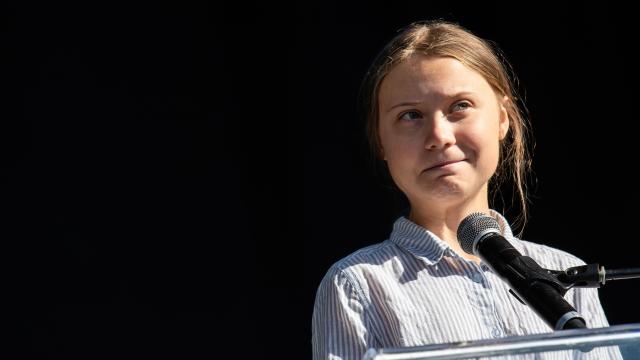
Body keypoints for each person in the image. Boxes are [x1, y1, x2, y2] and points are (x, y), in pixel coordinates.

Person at [311, 21, 621, 360]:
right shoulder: (360, 285)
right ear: (381, 141)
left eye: (460, 106)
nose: (439, 136)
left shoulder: (567, 276)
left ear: (502, 118)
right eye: (411, 115)